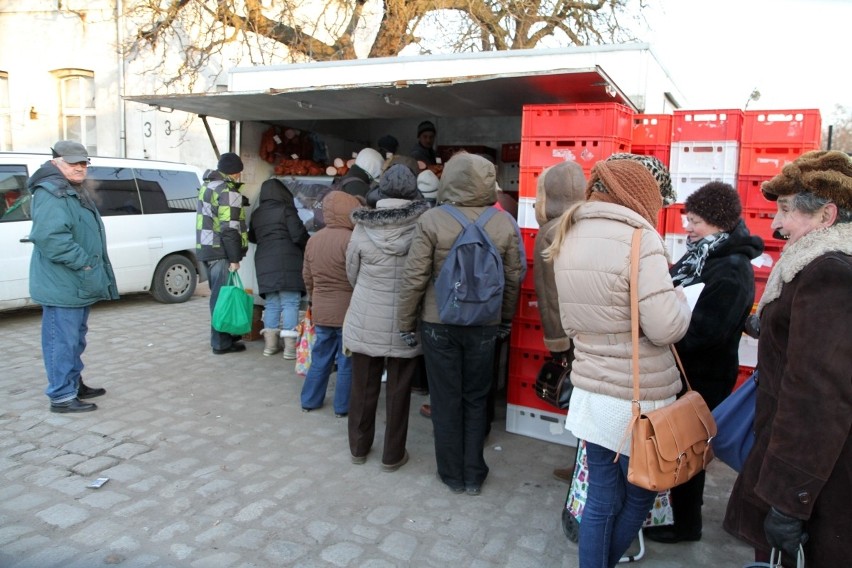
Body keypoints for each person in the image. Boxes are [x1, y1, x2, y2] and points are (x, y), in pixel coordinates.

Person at [543, 158, 691, 568]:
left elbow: (570, 319)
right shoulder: (640, 238)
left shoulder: (568, 232)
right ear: (639, 195)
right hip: (637, 395)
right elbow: (664, 329)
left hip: (591, 386)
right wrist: (680, 303)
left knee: (602, 495)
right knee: (643, 490)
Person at [724, 150, 852, 568]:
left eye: (785, 211)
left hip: (815, 484)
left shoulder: (828, 273)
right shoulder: (814, 267)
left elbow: (818, 400)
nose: (775, 225)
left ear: (826, 216)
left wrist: (789, 500)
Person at [398, 152, 523, 496]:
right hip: (484, 323)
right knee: (476, 396)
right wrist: (505, 318)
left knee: (445, 396)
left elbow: (414, 277)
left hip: (439, 322)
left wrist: (406, 322)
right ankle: (474, 472)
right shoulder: (503, 222)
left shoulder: (433, 219)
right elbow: (513, 277)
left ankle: (451, 472)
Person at [645, 181, 764, 544]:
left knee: (688, 450)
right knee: (675, 445)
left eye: (695, 220)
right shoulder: (702, 253)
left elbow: (708, 332)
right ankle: (671, 514)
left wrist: (665, 328)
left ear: (718, 222)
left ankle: (686, 525)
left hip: (703, 375)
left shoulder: (731, 268)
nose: (687, 226)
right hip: (681, 368)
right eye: (687, 217)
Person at [344, 164, 431, 470]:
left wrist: (368, 291)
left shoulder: (362, 226)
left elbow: (351, 272)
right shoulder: (424, 225)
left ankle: (358, 448)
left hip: (365, 316)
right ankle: (392, 455)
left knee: (362, 387)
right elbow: (425, 275)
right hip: (406, 321)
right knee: (398, 391)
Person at [27, 140, 118, 413]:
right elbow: (51, 238)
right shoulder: (51, 192)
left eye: (83, 163)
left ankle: (73, 383)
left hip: (75, 283)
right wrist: (86, 264)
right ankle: (61, 396)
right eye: (73, 162)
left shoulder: (70, 188)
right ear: (56, 161)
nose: (80, 168)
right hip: (64, 283)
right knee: (61, 341)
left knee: (75, 339)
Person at [531, 161, 587, 482]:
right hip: (591, 327)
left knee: (578, 400)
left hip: (568, 331)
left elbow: (549, 293)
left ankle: (582, 465)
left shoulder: (550, 232)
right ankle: (585, 462)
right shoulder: (587, 223)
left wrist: (555, 341)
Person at [300, 191, 361, 416]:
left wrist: (313, 299)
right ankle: (342, 407)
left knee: (320, 357)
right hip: (347, 311)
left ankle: (309, 400)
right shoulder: (352, 239)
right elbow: (358, 277)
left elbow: (307, 276)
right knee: (347, 361)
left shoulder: (313, 239)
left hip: (322, 309)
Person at [248, 178, 310, 358]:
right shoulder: (286, 210)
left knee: (272, 303)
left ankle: (270, 346)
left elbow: (252, 236)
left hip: (264, 260)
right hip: (287, 260)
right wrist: (310, 244)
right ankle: (290, 348)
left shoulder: (258, 213)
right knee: (290, 302)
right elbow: (298, 235)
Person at [196, 152, 250, 355]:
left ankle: (226, 338)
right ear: (235, 173)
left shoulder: (207, 186)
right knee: (222, 298)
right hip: (221, 251)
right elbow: (229, 229)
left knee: (219, 296)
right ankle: (221, 343)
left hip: (206, 248)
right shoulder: (228, 191)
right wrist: (234, 258)